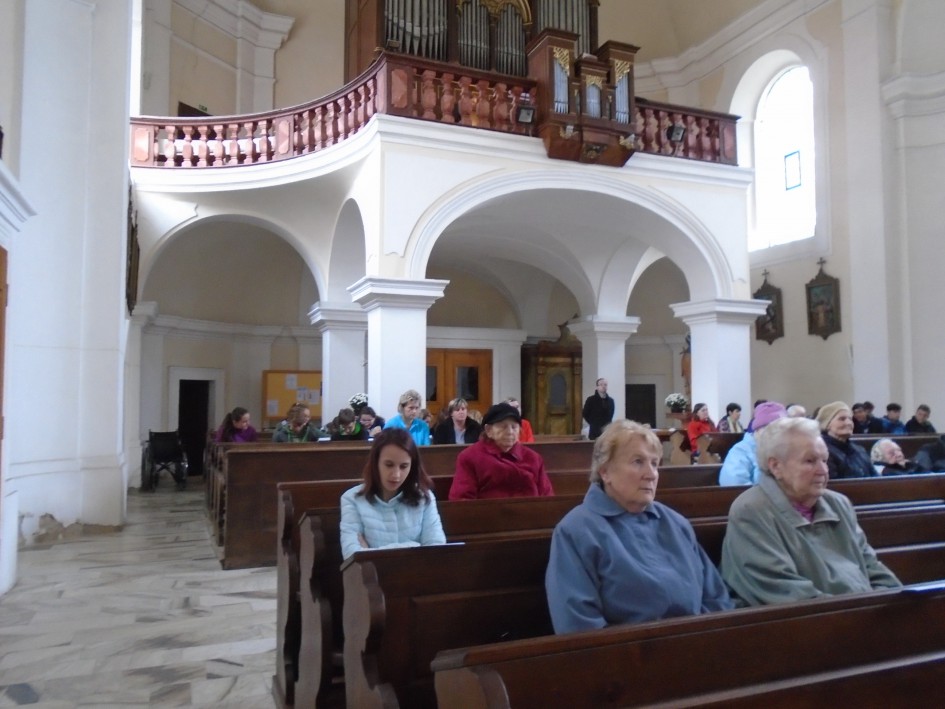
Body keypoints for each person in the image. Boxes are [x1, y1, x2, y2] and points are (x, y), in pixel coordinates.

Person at [545, 420, 732, 633]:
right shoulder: (576, 531)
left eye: (654, 463)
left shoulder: (676, 523)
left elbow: (717, 599)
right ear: (605, 471)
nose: (651, 474)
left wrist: (700, 641)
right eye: (637, 462)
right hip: (627, 652)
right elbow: (578, 626)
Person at [721, 417, 902, 605]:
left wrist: (888, 603)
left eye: (824, 460)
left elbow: (872, 567)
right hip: (808, 619)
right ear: (776, 466)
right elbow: (782, 589)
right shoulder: (751, 511)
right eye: (810, 461)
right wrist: (864, 611)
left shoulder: (839, 504)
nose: (823, 470)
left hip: (862, 612)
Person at [339, 428, 446, 559]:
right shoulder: (352, 499)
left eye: (404, 466)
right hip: (372, 574)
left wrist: (370, 553)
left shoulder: (424, 497)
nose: (396, 475)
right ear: (376, 463)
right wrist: (417, 547)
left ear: (412, 466)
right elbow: (351, 555)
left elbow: (437, 551)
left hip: (418, 572)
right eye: (389, 465)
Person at [449, 402, 554, 499]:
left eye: (514, 427)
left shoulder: (533, 458)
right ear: (488, 430)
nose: (510, 432)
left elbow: (547, 497)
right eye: (503, 427)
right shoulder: (470, 457)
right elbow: (461, 499)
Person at [718, 401, 786, 486]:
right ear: (758, 430)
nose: (779, 436)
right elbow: (734, 484)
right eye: (773, 430)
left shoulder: (785, 449)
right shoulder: (740, 451)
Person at [817, 401, 877, 478]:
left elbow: (876, 478)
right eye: (842, 419)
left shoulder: (859, 450)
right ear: (827, 424)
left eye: (850, 419)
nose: (848, 423)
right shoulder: (823, 452)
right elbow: (834, 483)